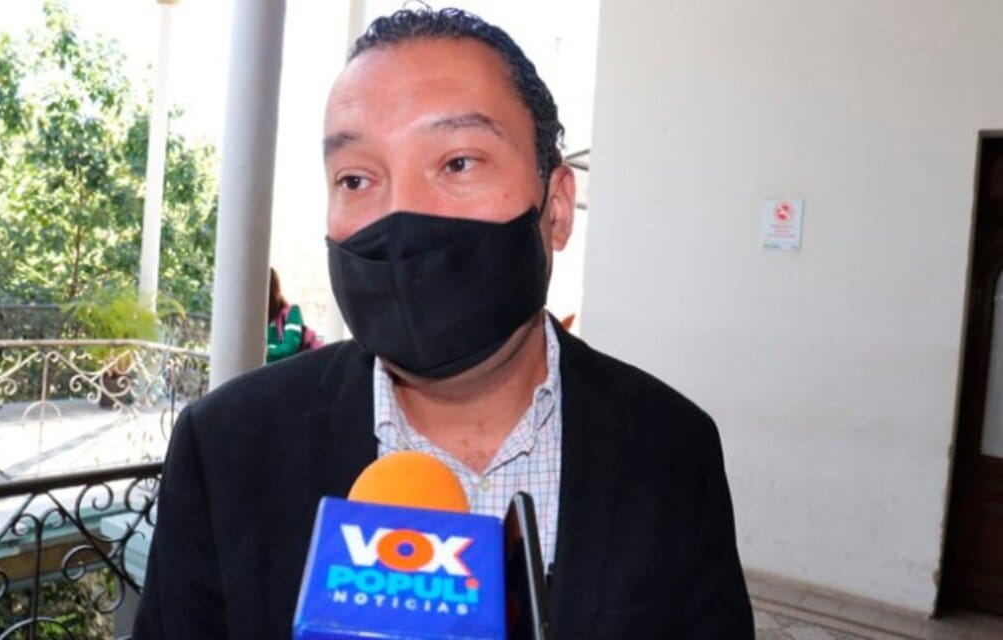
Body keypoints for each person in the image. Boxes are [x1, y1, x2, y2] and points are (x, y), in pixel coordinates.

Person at [134, 7, 754, 639]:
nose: (401, 213)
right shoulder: (226, 449)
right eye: (356, 178)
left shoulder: (671, 448)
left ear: (558, 208)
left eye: (458, 163)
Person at [266, 267, 323, 363]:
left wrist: (265, 353)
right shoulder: (255, 320)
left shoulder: (292, 312)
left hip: (303, 366)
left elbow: (290, 348)